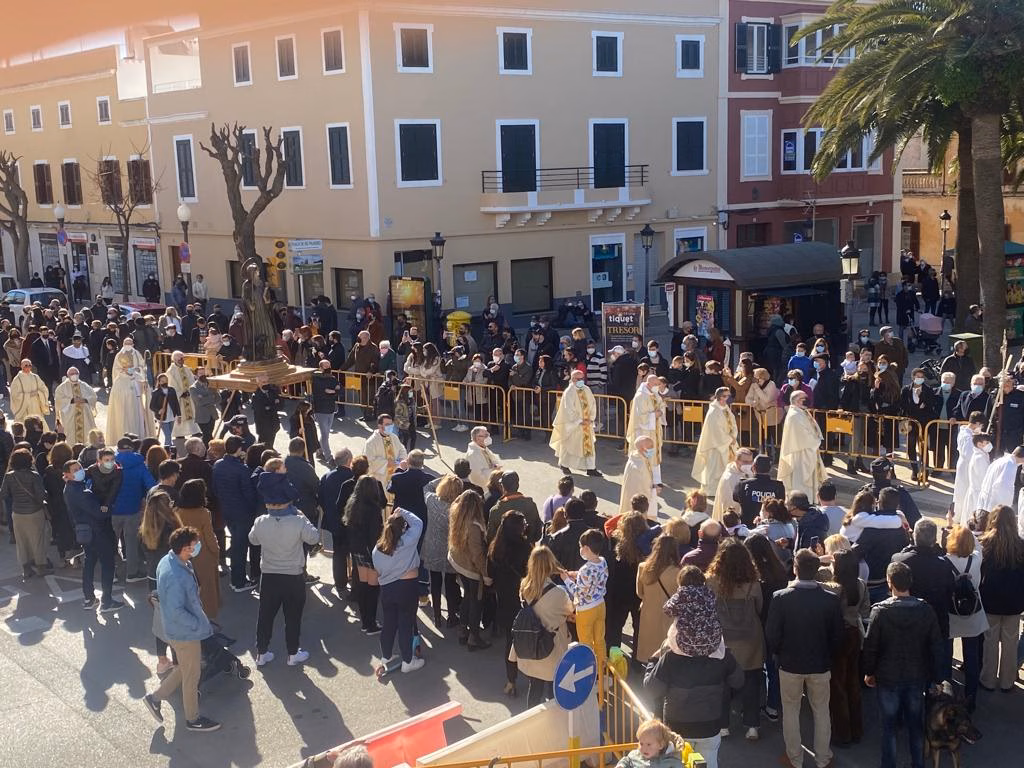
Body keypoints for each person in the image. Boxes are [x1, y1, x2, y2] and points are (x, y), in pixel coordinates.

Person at [644, 569, 744, 768]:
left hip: (677, 727)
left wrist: (653, 661)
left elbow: (651, 688)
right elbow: (738, 681)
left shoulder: (670, 658)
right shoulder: (720, 654)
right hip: (711, 724)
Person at [766, 549, 843, 768]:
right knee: (821, 711)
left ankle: (794, 758)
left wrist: (779, 653)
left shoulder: (781, 598)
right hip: (820, 663)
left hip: (790, 664)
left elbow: (772, 634)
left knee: (790, 711)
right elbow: (838, 635)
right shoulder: (830, 600)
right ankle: (823, 758)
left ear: (795, 569)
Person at [863, 561, 944, 768]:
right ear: (911, 581)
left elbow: (871, 646)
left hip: (887, 677)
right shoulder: (925, 609)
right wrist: (937, 677)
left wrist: (869, 672)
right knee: (915, 725)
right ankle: (918, 764)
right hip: (916, 676)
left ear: (889, 582)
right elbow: (935, 645)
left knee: (888, 727)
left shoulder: (880, 611)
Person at [142, 526, 221, 732]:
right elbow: (178, 610)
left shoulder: (167, 560)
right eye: (195, 545)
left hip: (175, 630)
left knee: (185, 668)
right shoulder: (179, 575)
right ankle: (192, 719)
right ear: (185, 549)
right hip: (185, 633)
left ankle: (155, 698)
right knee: (191, 676)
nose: (197, 548)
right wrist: (198, 625)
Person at [250, 460, 319, 667]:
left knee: (265, 616)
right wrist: (304, 518)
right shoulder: (298, 521)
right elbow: (314, 538)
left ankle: (261, 653)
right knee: (293, 617)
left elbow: (253, 540)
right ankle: (292, 653)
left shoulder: (261, 521)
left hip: (269, 576)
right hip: (292, 577)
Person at [706, 539, 764, 740]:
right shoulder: (753, 583)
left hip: (723, 637)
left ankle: (723, 725)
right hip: (750, 637)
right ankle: (752, 726)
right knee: (752, 681)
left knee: (722, 682)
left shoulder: (712, 581)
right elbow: (759, 607)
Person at [509, 545, 574, 707]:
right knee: (554, 689)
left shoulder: (525, 585)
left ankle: (531, 719)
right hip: (552, 646)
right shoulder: (559, 593)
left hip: (532, 643)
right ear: (550, 564)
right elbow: (570, 611)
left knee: (535, 686)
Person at [891, 519, 956, 679]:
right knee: (937, 667)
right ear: (934, 540)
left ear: (914, 536)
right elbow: (950, 593)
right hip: (937, 620)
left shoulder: (900, 559)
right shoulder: (944, 564)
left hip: (908, 620)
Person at [372, 507, 425, 674]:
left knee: (389, 623)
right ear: (403, 529)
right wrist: (403, 512)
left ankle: (386, 657)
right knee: (405, 623)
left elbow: (378, 570)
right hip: (407, 587)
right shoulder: (407, 541)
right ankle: (408, 661)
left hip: (387, 588)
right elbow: (418, 523)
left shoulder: (378, 548)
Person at [978, 505, 1024, 692]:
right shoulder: (1021, 544)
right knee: (1010, 643)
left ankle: (988, 679)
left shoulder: (985, 543)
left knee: (990, 641)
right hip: (1014, 602)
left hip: (990, 600)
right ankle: (1007, 681)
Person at [63, 458, 120, 611]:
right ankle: (107, 601)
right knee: (108, 563)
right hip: (97, 531)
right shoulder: (80, 491)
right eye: (75, 470)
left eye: (80, 467)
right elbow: (97, 512)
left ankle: (89, 598)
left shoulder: (71, 488)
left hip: (85, 531)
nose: (80, 470)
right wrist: (108, 508)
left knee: (90, 562)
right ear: (67, 475)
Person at [944, 524, 987, 711]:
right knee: (972, 656)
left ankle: (947, 697)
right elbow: (978, 546)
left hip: (951, 612)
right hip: (972, 614)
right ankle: (971, 699)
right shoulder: (976, 559)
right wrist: (970, 533)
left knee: (946, 655)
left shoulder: (945, 561)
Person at [211, 435, 260, 592]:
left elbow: (215, 489)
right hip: (242, 513)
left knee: (236, 544)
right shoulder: (242, 470)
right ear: (239, 449)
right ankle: (238, 581)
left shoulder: (218, 465)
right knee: (240, 548)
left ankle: (237, 578)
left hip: (227, 510)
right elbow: (249, 494)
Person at [448, 490, 493, 650]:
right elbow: (477, 555)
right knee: (476, 601)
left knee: (467, 595)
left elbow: (457, 501)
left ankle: (462, 629)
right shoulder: (474, 526)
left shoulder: (457, 515)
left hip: (458, 562)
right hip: (471, 568)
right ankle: (474, 637)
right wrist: (486, 575)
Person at [344, 475, 388, 634]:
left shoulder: (353, 504)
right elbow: (374, 535)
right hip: (370, 552)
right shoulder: (374, 509)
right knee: (373, 588)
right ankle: (370, 623)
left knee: (363, 585)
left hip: (357, 549)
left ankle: (365, 621)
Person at [852, 487, 911, 603]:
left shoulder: (871, 526)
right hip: (895, 582)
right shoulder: (902, 526)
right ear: (897, 505)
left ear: (879, 503)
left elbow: (856, 553)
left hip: (873, 582)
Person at [174, 479, 221, 621]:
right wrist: (216, 551)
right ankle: (208, 621)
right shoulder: (203, 513)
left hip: (183, 554)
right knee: (206, 590)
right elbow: (209, 537)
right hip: (203, 555)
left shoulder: (177, 511)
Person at [560, 528, 608, 669]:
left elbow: (578, 593)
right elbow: (593, 579)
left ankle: (588, 669)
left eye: (581, 547)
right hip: (600, 605)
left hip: (586, 610)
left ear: (586, 548)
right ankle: (601, 667)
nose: (580, 550)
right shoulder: (603, 561)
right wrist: (576, 575)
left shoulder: (585, 570)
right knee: (599, 639)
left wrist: (566, 580)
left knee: (585, 641)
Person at [423, 475, 464, 627]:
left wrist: (443, 478)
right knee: (450, 583)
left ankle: (437, 616)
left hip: (433, 547)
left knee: (435, 582)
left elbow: (426, 487)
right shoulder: (458, 507)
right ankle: (452, 616)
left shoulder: (432, 501)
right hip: (450, 549)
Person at [635, 535, 682, 663]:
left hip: (648, 614)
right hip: (669, 617)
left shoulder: (643, 567)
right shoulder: (679, 572)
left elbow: (639, 593)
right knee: (665, 652)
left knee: (648, 651)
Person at [549, 369, 601, 477]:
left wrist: (591, 418)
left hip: (586, 424)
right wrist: (579, 421)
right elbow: (568, 409)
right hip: (573, 425)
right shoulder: (569, 392)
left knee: (589, 447)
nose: (582, 380)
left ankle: (591, 468)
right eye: (579, 379)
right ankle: (564, 464)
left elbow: (592, 404)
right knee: (569, 445)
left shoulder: (587, 389)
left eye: (583, 378)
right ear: (573, 379)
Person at [777, 391, 826, 498]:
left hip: (807, 452)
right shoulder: (794, 415)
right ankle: (802, 501)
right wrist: (816, 441)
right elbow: (803, 436)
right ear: (797, 400)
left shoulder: (801, 411)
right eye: (804, 398)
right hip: (800, 454)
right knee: (801, 482)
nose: (807, 400)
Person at [692, 388, 738, 497]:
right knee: (715, 469)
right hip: (716, 446)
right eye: (726, 396)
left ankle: (726, 489)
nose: (729, 398)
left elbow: (733, 422)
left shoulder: (725, 408)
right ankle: (712, 491)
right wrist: (729, 439)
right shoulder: (713, 411)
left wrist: (733, 435)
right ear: (720, 397)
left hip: (728, 443)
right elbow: (715, 431)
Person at [107, 339, 152, 440]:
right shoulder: (119, 355)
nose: (128, 345)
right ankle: (124, 434)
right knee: (123, 412)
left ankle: (139, 433)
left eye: (129, 343)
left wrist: (136, 370)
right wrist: (125, 372)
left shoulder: (137, 354)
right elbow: (116, 369)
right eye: (126, 343)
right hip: (122, 383)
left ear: (133, 344)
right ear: (123, 344)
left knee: (138, 410)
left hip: (136, 381)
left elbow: (142, 366)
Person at [627, 374, 667, 487]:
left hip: (653, 430)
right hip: (644, 431)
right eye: (656, 384)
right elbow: (641, 416)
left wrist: (661, 409)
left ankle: (657, 480)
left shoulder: (653, 393)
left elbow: (660, 404)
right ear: (649, 384)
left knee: (655, 454)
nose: (658, 387)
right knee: (646, 454)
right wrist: (655, 414)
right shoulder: (640, 396)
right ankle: (645, 478)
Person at [952, 412, 987, 524]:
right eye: (981, 425)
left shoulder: (968, 433)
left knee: (963, 490)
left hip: (966, 464)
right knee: (962, 491)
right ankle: (959, 516)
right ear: (976, 423)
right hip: (966, 465)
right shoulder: (966, 436)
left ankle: (961, 515)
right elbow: (969, 453)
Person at [54, 366, 98, 447]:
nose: (74, 375)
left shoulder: (84, 385)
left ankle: (86, 450)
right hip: (70, 416)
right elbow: (58, 400)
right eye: (72, 373)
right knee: (71, 437)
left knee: (86, 436)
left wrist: (85, 400)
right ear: (68, 375)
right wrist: (71, 400)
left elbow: (93, 396)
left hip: (85, 416)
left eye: (76, 373)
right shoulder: (62, 387)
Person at [364, 413, 408, 488]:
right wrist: (386, 463)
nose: (390, 427)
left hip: (395, 476)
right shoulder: (371, 443)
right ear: (380, 426)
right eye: (387, 424)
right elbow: (368, 462)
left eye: (391, 424)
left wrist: (401, 459)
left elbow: (402, 449)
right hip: (379, 480)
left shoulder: (393, 437)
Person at [977, 444, 1024, 511]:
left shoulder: (1002, 460)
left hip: (987, 497)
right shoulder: (1010, 465)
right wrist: (1006, 507)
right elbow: (1004, 488)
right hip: (996, 503)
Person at [620, 436, 658, 518]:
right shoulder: (639, 466)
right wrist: (653, 489)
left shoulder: (636, 457)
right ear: (642, 448)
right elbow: (643, 487)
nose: (652, 449)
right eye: (650, 447)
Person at [711, 448, 753, 522]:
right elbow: (729, 503)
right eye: (745, 462)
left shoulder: (747, 471)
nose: (748, 465)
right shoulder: (729, 478)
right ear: (736, 461)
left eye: (750, 462)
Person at [311, 359, 339, 459]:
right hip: (321, 410)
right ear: (320, 368)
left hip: (331, 409)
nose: (328, 368)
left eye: (329, 366)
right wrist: (333, 391)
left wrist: (332, 392)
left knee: (326, 433)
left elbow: (340, 390)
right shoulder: (316, 379)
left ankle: (319, 450)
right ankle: (328, 456)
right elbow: (321, 393)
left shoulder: (332, 378)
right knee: (325, 434)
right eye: (326, 366)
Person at [10, 359, 51, 424]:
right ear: (21, 366)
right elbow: (14, 395)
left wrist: (39, 393)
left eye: (30, 365)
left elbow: (44, 389)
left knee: (39, 425)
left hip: (36, 406)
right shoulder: (17, 380)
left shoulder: (35, 377)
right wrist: (28, 395)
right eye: (26, 365)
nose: (28, 367)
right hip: (24, 408)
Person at [150, 372, 181, 449]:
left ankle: (168, 447)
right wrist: (159, 410)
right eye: (162, 381)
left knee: (169, 434)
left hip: (171, 416)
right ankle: (168, 450)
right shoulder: (156, 393)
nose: (165, 382)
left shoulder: (172, 390)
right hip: (162, 417)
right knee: (167, 435)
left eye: (166, 380)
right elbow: (152, 406)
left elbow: (176, 403)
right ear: (159, 382)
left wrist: (179, 415)